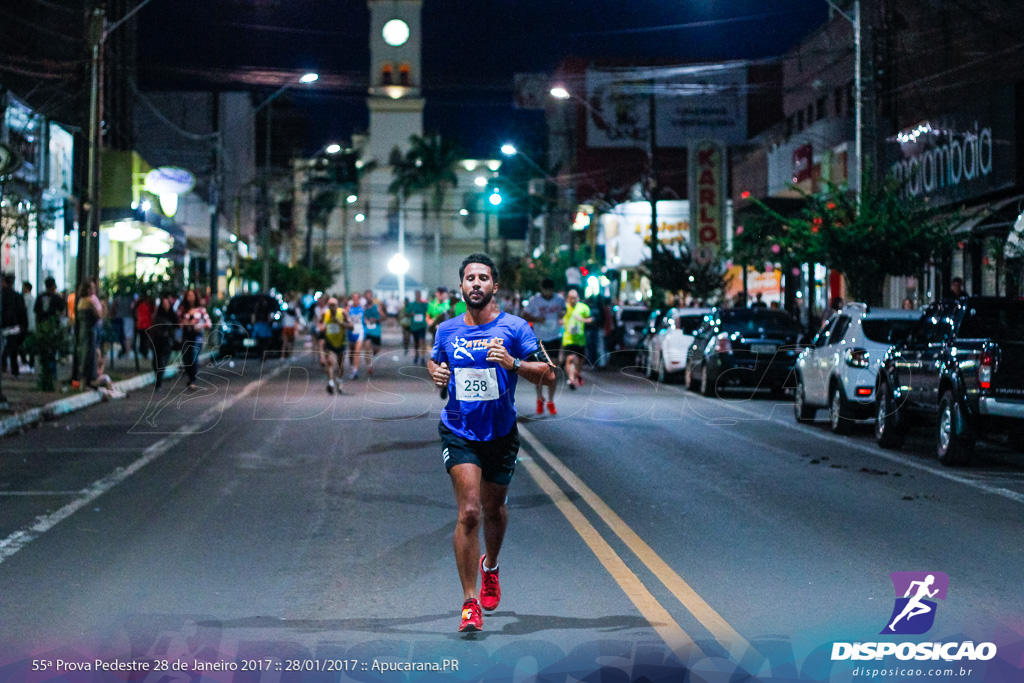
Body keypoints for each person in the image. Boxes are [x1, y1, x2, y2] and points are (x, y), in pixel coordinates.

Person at [428, 253, 556, 633]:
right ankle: (470, 603)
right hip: (459, 429)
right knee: (469, 512)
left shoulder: (516, 328)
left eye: (484, 277)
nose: (477, 283)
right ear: (462, 286)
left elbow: (549, 374)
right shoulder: (446, 330)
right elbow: (436, 366)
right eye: (470, 278)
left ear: (494, 286)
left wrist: (513, 364)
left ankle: (491, 566)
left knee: (494, 510)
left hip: (500, 433)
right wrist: (436, 374)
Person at [520, 277, 565, 414]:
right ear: (542, 289)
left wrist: (561, 316)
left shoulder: (559, 299)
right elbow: (524, 315)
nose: (548, 293)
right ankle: (540, 399)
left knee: (553, 371)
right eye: (546, 290)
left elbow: (563, 311)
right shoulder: (535, 300)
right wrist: (537, 319)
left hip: (555, 337)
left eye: (551, 290)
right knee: (540, 372)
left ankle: (551, 401)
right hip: (540, 340)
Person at [178, 289, 211, 391]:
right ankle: (189, 376)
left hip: (197, 335)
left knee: (193, 356)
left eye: (192, 296)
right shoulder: (183, 310)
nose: (190, 298)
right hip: (186, 335)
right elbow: (179, 323)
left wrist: (199, 326)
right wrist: (185, 323)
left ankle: (193, 380)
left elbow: (208, 323)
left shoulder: (201, 310)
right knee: (185, 357)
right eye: (189, 296)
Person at [561, 288, 592, 390]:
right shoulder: (564, 308)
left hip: (580, 339)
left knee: (580, 360)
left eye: (574, 298)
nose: (573, 300)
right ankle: (571, 379)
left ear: (578, 298)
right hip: (568, 339)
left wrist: (582, 320)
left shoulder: (584, 308)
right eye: (571, 298)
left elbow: (591, 319)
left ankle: (577, 373)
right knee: (570, 359)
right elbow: (559, 317)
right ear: (567, 299)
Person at [319, 296, 351, 394]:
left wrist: (340, 323)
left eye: (334, 305)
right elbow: (319, 324)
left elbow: (351, 326)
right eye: (330, 305)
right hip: (330, 342)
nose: (332, 308)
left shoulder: (343, 313)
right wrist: (322, 328)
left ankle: (339, 381)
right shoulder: (325, 314)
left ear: (337, 306)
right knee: (330, 361)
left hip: (341, 342)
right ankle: (331, 382)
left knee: (340, 364)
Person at [75, 279, 103, 389]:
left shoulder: (81, 301)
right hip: (90, 330)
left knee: (84, 354)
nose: (94, 289)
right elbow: (99, 315)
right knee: (89, 355)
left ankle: (83, 380)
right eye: (92, 287)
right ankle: (89, 379)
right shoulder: (90, 301)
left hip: (83, 330)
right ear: (87, 289)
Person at [148, 294, 178, 391]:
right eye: (163, 303)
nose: (165, 305)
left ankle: (159, 383)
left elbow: (177, 325)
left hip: (167, 341)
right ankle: (158, 378)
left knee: (162, 361)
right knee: (155, 362)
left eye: (167, 303)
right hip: (157, 340)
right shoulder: (157, 316)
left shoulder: (172, 315)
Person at [1, 274, 28, 376]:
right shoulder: (16, 296)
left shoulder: (3, 295)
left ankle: (12, 368)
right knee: (13, 347)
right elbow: (22, 311)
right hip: (14, 325)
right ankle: (13, 369)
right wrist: (23, 325)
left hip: (4, 324)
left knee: (12, 346)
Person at [362, 289, 383, 374]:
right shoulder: (363, 307)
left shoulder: (377, 307)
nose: (368, 298)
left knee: (376, 350)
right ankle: (369, 366)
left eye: (370, 296)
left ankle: (374, 353)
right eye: (367, 296)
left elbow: (384, 317)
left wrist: (376, 319)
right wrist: (365, 320)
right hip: (367, 330)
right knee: (367, 345)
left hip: (376, 331)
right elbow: (361, 317)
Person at [406, 290, 429, 365]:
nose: (418, 296)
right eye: (417, 295)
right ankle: (416, 354)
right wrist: (411, 314)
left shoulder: (424, 305)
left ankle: (422, 356)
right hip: (414, 326)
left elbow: (429, 312)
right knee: (416, 342)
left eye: (419, 295)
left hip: (422, 325)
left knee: (422, 340)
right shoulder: (412, 304)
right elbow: (407, 312)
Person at [346, 292, 365, 379]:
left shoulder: (363, 308)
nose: (355, 300)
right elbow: (345, 318)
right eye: (354, 298)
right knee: (351, 350)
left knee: (357, 351)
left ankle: (355, 370)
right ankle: (351, 366)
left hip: (360, 330)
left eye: (357, 298)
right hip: (351, 331)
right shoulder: (348, 308)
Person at [20, 281, 36, 371]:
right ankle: (31, 362)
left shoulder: (25, 298)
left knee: (22, 343)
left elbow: (23, 309)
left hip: (25, 324)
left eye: (24, 288)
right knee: (31, 345)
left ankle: (26, 361)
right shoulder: (33, 298)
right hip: (32, 324)